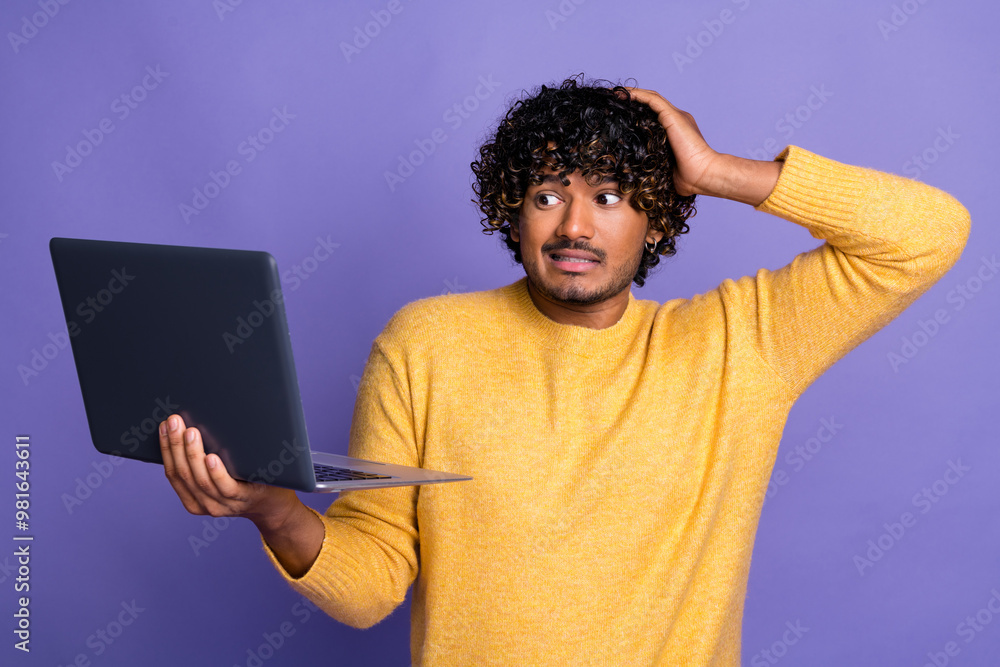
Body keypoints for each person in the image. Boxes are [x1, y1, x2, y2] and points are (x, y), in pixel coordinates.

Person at [158, 76, 971, 665]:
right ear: (512, 208)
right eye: (548, 193)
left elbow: (930, 232)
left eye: (613, 196)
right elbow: (370, 586)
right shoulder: (426, 343)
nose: (576, 224)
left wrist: (722, 171)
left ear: (658, 217)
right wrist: (271, 509)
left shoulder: (742, 344)